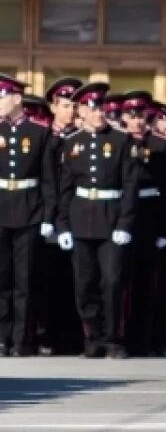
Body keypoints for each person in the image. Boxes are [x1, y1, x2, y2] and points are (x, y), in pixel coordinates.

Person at [55, 82, 138, 359]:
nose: (99, 112)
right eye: (93, 108)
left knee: (112, 281)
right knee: (84, 283)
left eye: (101, 107)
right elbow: (65, 188)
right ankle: (93, 338)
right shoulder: (72, 142)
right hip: (81, 220)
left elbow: (130, 185)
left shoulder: (121, 140)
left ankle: (114, 338)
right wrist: (63, 225)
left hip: (112, 218)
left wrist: (125, 224)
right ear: (82, 111)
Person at [119, 90, 166, 357]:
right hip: (121, 217)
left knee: (146, 283)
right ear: (124, 118)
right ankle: (119, 335)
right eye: (131, 116)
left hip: (149, 216)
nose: (137, 121)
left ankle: (144, 339)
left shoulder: (162, 146)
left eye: (141, 116)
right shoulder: (118, 142)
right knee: (119, 281)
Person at [0, 74, 56, 356]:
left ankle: (21, 340)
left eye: (2, 97)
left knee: (24, 280)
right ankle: (2, 337)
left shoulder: (39, 133)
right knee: (1, 278)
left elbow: (48, 179)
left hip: (29, 210)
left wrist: (47, 217)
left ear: (17, 99)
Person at [38, 78, 84, 356]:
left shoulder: (82, 138)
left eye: (74, 106)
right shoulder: (45, 137)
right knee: (45, 277)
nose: (71, 111)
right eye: (65, 105)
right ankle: (46, 334)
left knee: (74, 278)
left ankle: (71, 336)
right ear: (54, 107)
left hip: (75, 215)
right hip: (45, 214)